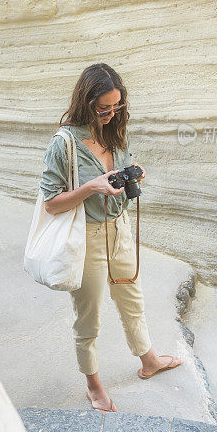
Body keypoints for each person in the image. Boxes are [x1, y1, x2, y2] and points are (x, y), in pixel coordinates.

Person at [39, 63, 182, 413]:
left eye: (116, 106)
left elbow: (118, 175)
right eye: (103, 108)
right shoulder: (64, 144)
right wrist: (90, 187)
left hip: (119, 229)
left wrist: (133, 174)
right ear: (86, 102)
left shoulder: (117, 132)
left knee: (132, 298)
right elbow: (50, 204)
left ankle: (148, 360)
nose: (110, 114)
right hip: (85, 238)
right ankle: (94, 385)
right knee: (89, 317)